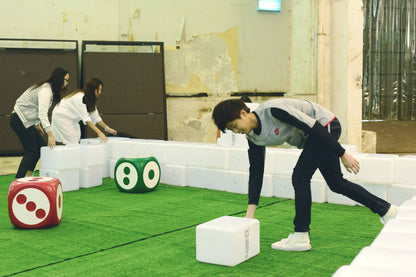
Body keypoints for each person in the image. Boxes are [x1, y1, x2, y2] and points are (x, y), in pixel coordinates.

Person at [212, 98, 398, 251]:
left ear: (243, 113)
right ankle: (387, 210)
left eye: (235, 125)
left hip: (325, 126)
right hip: (315, 137)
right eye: (233, 129)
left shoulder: (273, 110)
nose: (237, 131)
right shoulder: (253, 137)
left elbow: (314, 127)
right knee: (336, 183)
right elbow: (256, 171)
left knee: (300, 177)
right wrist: (249, 215)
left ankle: (301, 234)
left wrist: (342, 153)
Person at [10, 67, 70, 178]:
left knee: (40, 148)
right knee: (31, 151)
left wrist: (37, 124)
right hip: (19, 119)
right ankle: (18, 182)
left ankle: (28, 176)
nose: (67, 83)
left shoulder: (49, 90)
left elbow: (35, 108)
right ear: (59, 79)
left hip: (26, 121)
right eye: (66, 80)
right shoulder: (45, 91)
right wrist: (50, 134)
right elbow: (42, 114)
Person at [51, 78, 117, 145]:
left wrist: (107, 128)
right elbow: (87, 120)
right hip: (61, 117)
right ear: (92, 89)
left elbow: (96, 117)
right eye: (98, 90)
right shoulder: (80, 97)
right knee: (72, 141)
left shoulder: (90, 99)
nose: (100, 92)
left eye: (100, 90)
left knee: (76, 138)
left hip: (71, 119)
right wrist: (99, 133)